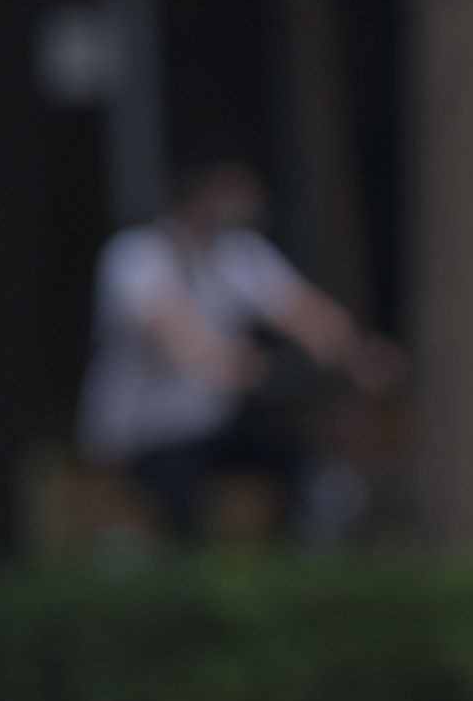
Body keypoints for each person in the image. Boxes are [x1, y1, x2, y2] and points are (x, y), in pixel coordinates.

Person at [76, 160, 401, 544]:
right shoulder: (135, 255)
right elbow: (172, 332)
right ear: (200, 194)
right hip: (145, 433)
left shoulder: (239, 253)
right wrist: (232, 363)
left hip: (214, 424)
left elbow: (304, 313)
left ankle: (302, 555)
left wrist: (358, 354)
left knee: (302, 466)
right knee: (181, 512)